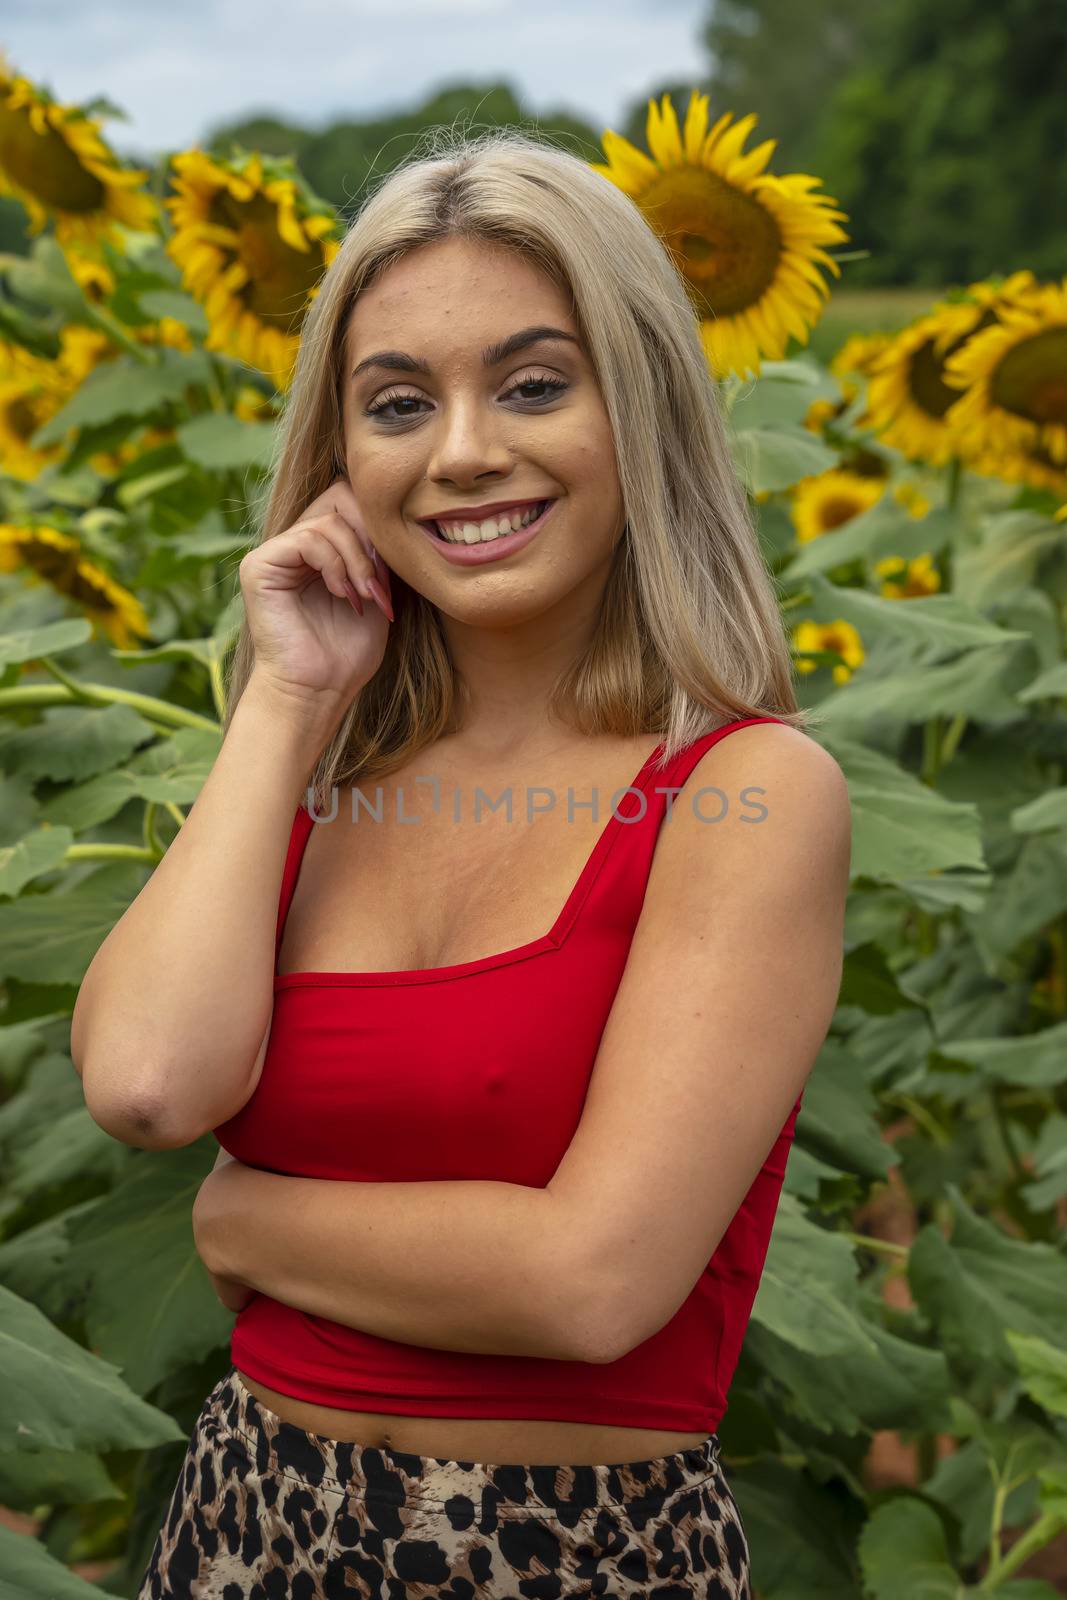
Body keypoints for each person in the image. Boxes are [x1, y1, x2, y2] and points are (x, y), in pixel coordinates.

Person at [74, 124, 851, 1599]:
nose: (464, 451)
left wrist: (246, 1215)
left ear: (645, 409)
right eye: (398, 403)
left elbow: (593, 1284)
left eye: (536, 384)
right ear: (341, 454)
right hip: (244, 1524)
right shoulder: (329, 776)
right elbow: (149, 1084)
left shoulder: (745, 793)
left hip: (564, 1558)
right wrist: (290, 697)